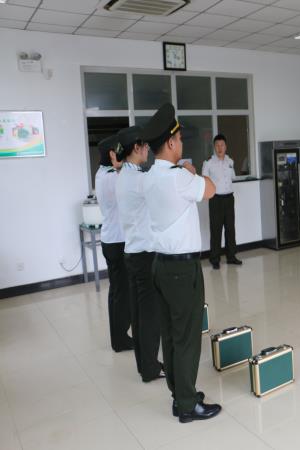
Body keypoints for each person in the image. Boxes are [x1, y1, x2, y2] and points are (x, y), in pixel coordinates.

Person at [142, 103, 221, 423]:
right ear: (171, 142)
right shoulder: (178, 177)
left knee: (171, 335)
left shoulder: (149, 177)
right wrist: (192, 172)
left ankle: (179, 395)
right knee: (187, 337)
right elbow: (211, 190)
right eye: (179, 139)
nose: (181, 144)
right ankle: (188, 405)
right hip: (182, 269)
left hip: (160, 265)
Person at [115, 126, 164, 383]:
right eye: (145, 146)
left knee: (137, 313)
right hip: (145, 255)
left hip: (132, 252)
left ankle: (143, 365)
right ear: (136, 148)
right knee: (149, 315)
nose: (148, 150)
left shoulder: (122, 175)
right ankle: (151, 368)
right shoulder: (139, 179)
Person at [94, 135, 132, 353]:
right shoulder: (111, 178)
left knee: (116, 291)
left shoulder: (102, 174)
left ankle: (118, 336)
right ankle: (120, 339)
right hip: (117, 241)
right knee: (121, 293)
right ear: (111, 154)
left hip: (111, 239)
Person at [202, 134, 242, 270]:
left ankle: (231, 256)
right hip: (216, 199)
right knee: (216, 229)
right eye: (217, 145)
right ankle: (215, 259)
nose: (220, 148)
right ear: (214, 147)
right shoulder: (208, 163)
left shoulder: (230, 161)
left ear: (226, 147)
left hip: (229, 198)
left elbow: (232, 178)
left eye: (222, 145)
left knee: (230, 228)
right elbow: (205, 181)